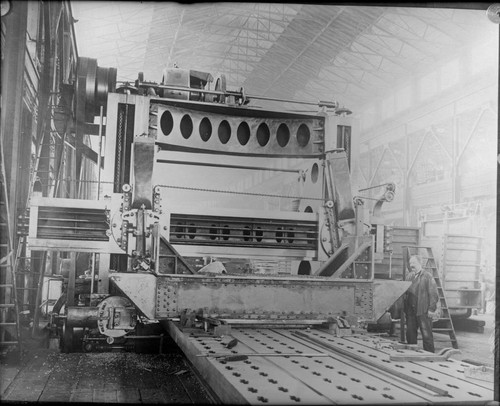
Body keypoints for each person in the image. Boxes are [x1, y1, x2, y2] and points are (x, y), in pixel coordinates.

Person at [404, 255, 439, 352]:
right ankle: (411, 354)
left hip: (423, 311)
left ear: (420, 263)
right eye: (410, 263)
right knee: (410, 334)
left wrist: (431, 309)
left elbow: (434, 294)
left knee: (427, 335)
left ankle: (429, 356)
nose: (411, 265)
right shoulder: (409, 276)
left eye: (414, 263)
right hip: (411, 312)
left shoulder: (427, 276)